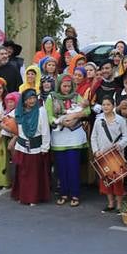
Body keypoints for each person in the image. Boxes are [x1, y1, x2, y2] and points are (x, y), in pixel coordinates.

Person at [46, 74, 88, 207]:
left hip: (74, 136)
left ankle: (75, 194)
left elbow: (87, 110)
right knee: (61, 168)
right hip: (59, 137)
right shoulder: (51, 97)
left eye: (69, 86)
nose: (67, 88)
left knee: (73, 167)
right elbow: (49, 115)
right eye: (64, 86)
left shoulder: (76, 96)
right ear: (59, 85)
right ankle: (63, 193)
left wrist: (75, 116)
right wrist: (62, 121)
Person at [10, 89, 52, 206]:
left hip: (35, 147)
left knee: (34, 175)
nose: (32, 101)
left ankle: (32, 197)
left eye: (33, 98)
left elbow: (45, 130)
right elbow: (10, 122)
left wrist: (45, 147)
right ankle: (22, 195)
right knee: (22, 173)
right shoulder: (19, 111)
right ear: (24, 100)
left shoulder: (41, 111)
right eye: (29, 98)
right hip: (22, 146)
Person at [90, 96, 127, 212]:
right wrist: (96, 151)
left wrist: (121, 144)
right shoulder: (98, 120)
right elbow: (94, 137)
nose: (105, 107)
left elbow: (126, 135)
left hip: (117, 154)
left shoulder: (120, 120)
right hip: (103, 154)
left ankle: (119, 205)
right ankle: (110, 203)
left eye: (108, 104)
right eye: (104, 105)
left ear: (113, 106)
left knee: (118, 181)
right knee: (106, 181)